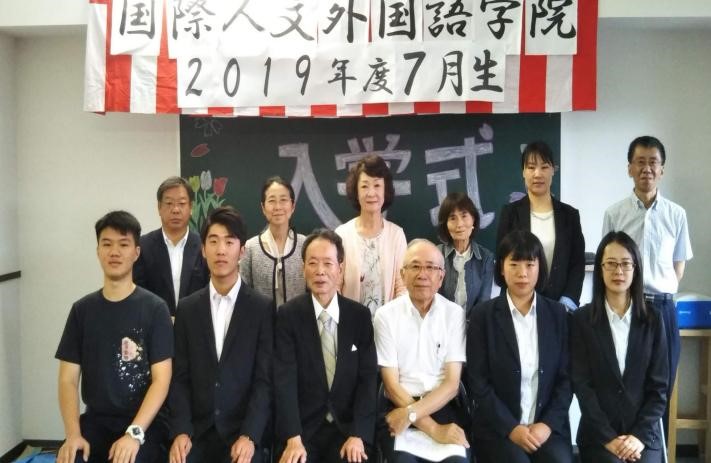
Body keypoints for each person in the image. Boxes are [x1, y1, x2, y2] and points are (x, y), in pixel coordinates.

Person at [55, 211, 173, 463]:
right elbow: (67, 379)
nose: (115, 252)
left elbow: (161, 380)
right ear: (98, 251)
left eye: (123, 244)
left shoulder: (155, 309)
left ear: (136, 253)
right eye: (107, 244)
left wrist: (134, 434)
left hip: (144, 423)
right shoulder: (82, 311)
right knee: (71, 457)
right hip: (96, 421)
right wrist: (73, 434)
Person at [168, 206, 273, 463]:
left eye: (229, 241)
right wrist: (181, 430)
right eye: (213, 241)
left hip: (241, 434)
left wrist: (249, 435)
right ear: (203, 250)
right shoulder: (187, 308)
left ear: (242, 251)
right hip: (197, 433)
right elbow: (179, 377)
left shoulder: (261, 308)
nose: (221, 250)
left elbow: (264, 380)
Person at [602, 135, 692, 430]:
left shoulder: (676, 215)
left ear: (662, 169)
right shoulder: (615, 214)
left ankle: (655, 447)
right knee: (626, 384)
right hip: (628, 308)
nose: (646, 169)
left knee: (662, 385)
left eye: (653, 162)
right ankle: (623, 446)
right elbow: (608, 262)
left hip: (663, 309)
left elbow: (678, 266)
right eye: (640, 162)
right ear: (629, 168)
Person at [467, 230, 573, 463]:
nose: (522, 273)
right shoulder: (482, 316)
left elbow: (566, 379)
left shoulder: (557, 314)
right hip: (498, 430)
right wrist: (511, 428)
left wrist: (546, 425)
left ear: (539, 268)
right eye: (514, 264)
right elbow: (478, 382)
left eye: (530, 264)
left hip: (547, 428)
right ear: (501, 268)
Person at [274, 229, 377, 463]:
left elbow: (368, 380)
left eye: (328, 263)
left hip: (347, 430)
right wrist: (293, 437)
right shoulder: (288, 315)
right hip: (303, 431)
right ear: (303, 269)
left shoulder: (359, 317)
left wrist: (358, 434)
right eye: (312, 263)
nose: (320, 271)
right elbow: (284, 380)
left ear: (340, 269)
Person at [571, 231, 668, 463]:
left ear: (636, 269)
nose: (619, 271)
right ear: (600, 268)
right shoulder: (582, 320)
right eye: (611, 264)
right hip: (598, 436)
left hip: (643, 435)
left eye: (626, 264)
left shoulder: (653, 320)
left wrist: (638, 436)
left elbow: (659, 388)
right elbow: (583, 387)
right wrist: (608, 438)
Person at [374, 239, 469, 463]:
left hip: (442, 407)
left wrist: (413, 415)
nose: (422, 274)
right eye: (415, 266)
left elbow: (452, 384)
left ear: (441, 277)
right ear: (402, 274)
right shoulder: (385, 316)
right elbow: (391, 385)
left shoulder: (453, 314)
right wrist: (434, 430)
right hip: (399, 405)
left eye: (431, 267)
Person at [496, 141, 585, 311]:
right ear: (523, 172)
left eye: (544, 167)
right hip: (518, 305)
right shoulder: (510, 213)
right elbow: (503, 261)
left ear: (553, 170)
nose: (537, 174)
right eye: (531, 167)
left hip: (560, 307)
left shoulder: (570, 215)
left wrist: (567, 303)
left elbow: (577, 264)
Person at [335, 154, 407, 316]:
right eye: (364, 186)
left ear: (385, 191)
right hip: (350, 323)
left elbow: (402, 287)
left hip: (388, 324)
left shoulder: (396, 235)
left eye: (377, 185)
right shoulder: (342, 234)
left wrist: (393, 322)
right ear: (356, 191)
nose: (371, 193)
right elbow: (335, 285)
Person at [134, 176, 209, 317]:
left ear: (191, 207)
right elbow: (138, 292)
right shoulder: (143, 246)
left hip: (195, 324)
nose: (175, 209)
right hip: (155, 324)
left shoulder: (204, 246)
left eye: (182, 203)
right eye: (169, 203)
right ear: (159, 207)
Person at [241, 176, 306, 307]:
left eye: (283, 200)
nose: (278, 207)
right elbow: (244, 292)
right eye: (271, 201)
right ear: (263, 208)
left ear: (293, 206)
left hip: (299, 319)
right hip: (261, 319)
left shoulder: (305, 245)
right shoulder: (251, 247)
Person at [437, 192, 495, 321]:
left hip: (473, 327)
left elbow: (483, 303)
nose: (459, 224)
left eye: (464, 216)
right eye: (452, 218)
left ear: (473, 219)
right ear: (446, 224)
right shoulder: (436, 254)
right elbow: (432, 298)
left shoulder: (486, 258)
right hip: (441, 325)